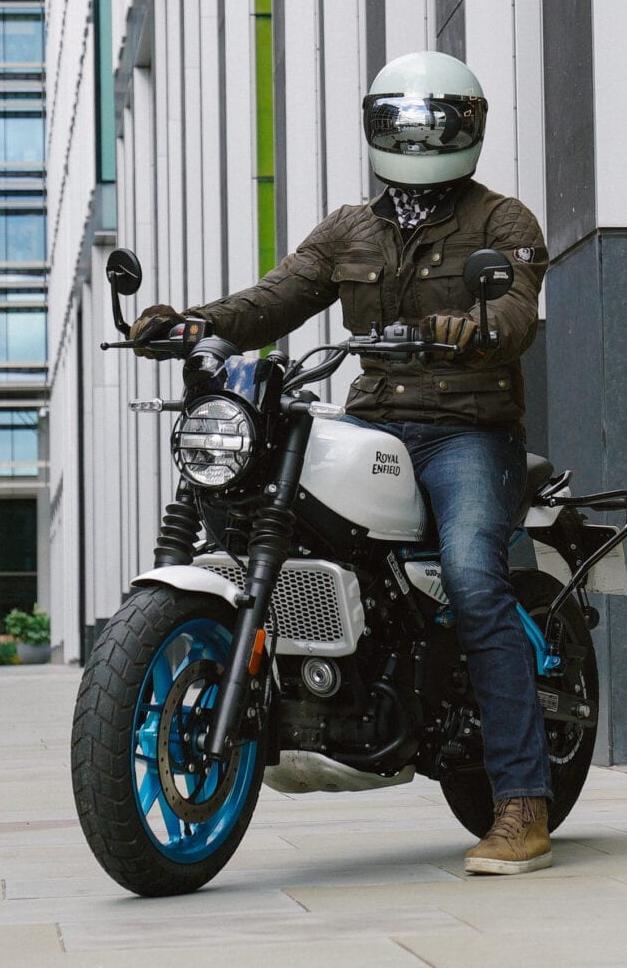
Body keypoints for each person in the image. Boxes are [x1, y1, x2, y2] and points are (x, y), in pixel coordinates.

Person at [128, 50, 555, 875]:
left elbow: (516, 306)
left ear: (467, 126)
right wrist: (193, 324)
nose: (417, 135)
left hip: (468, 430)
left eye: (433, 121)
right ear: (376, 126)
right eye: (401, 121)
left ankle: (522, 803)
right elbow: (277, 295)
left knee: (472, 575)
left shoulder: (504, 220)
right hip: (377, 426)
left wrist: (478, 326)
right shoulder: (349, 228)